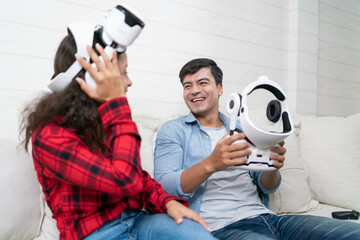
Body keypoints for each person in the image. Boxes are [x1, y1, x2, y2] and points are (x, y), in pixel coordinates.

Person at [20, 11, 217, 240]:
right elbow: (124, 179)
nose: (128, 81)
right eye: (122, 74)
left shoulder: (105, 118)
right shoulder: (49, 136)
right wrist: (116, 104)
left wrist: (168, 202)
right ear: (93, 79)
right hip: (97, 234)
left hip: (137, 220)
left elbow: (138, 176)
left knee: (198, 235)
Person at [154, 58, 360, 239]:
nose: (194, 90)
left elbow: (266, 187)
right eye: (187, 85)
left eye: (202, 82)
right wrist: (212, 163)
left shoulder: (243, 128)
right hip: (222, 227)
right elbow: (164, 186)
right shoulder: (173, 130)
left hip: (269, 219)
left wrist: (273, 167)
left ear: (220, 88)